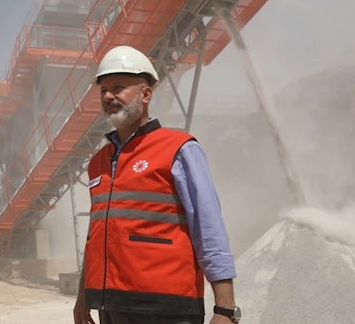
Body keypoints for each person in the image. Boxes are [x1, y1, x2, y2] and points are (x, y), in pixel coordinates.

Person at [73, 45, 241, 324]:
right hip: (110, 307)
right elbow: (97, 237)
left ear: (146, 94)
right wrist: (83, 297)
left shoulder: (180, 149)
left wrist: (225, 309)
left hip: (167, 309)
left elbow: (208, 228)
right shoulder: (99, 162)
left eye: (118, 88)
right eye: (103, 90)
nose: (108, 96)